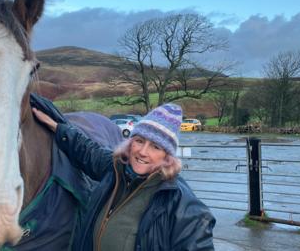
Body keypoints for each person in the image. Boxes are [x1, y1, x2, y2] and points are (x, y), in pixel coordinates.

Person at [32, 102, 216, 251]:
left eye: (155, 147)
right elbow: (87, 151)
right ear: (130, 142)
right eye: (139, 141)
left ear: (167, 156)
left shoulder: (185, 207)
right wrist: (57, 127)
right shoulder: (115, 169)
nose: (143, 152)